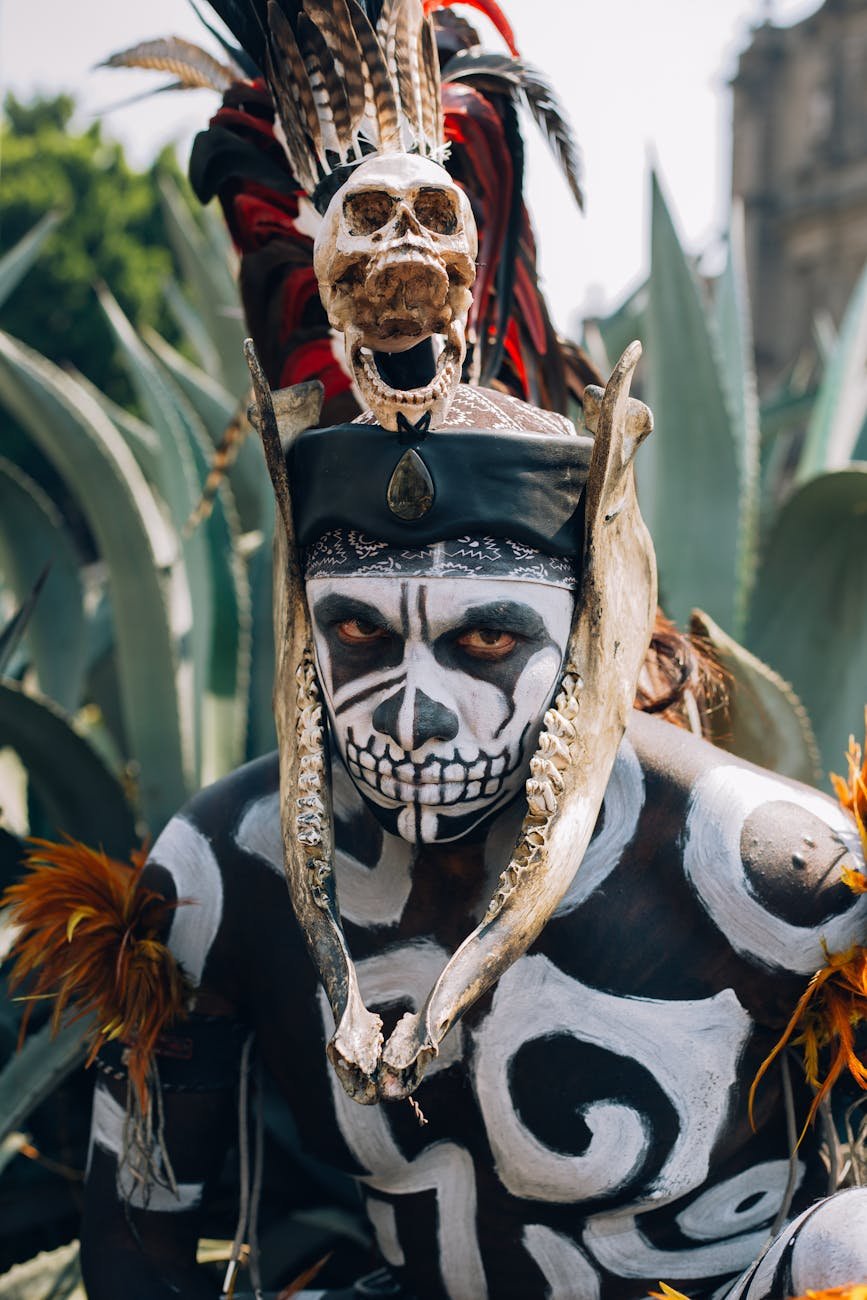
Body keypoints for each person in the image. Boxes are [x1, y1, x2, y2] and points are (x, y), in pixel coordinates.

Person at [7, 2, 867, 1297]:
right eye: (359, 632)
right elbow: (142, 1243)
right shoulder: (221, 878)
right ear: (299, 626)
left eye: (486, 638)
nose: (415, 710)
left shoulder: (774, 881)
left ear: (584, 625)